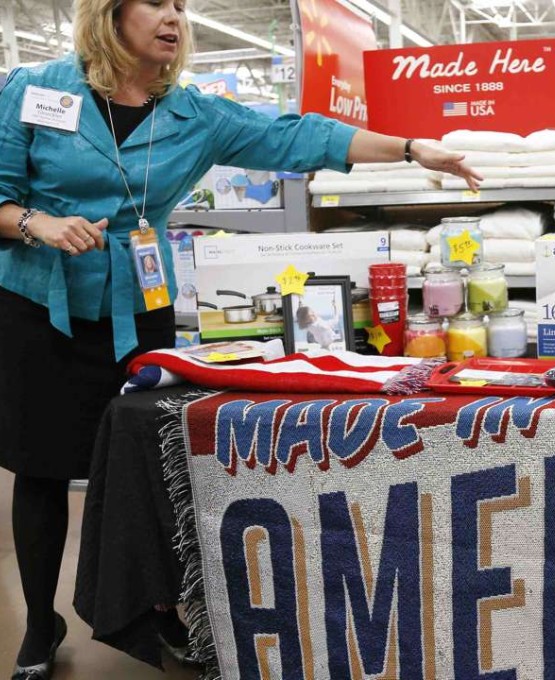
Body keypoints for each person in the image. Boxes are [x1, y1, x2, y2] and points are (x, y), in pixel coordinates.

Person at [0, 1, 482, 678]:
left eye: (180, 7)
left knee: (150, 462)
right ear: (110, 12)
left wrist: (407, 148)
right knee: (42, 465)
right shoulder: (37, 90)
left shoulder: (194, 115)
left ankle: (157, 612)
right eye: (156, 3)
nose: (173, 17)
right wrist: (36, 225)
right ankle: (39, 626)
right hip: (39, 305)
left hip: (140, 306)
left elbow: (298, 136)